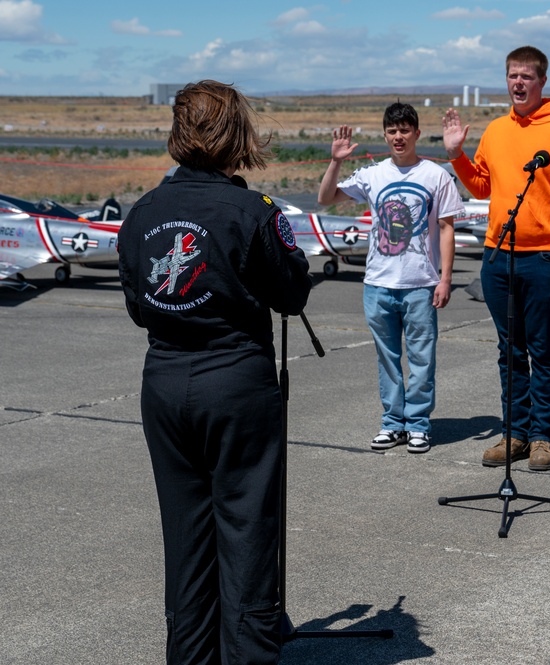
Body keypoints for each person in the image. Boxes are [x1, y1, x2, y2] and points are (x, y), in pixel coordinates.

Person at [118, 80, 313, 663]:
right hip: (234, 381)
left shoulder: (144, 211)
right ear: (235, 133)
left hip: (165, 379)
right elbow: (292, 292)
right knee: (247, 529)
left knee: (186, 536)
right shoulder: (251, 210)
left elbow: (137, 305)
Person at [442, 45, 550, 471]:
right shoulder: (496, 130)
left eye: (526, 76)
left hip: (544, 258)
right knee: (510, 351)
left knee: (542, 349)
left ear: (543, 81)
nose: (518, 83)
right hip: (498, 258)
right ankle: (515, 433)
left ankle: (543, 436)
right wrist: (456, 154)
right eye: (512, 76)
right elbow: (482, 188)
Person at [318, 103, 463, 453]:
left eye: (405, 130)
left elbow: (446, 229)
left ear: (416, 132)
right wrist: (336, 161)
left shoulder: (436, 175)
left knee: (421, 358)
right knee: (387, 357)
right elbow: (326, 199)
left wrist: (445, 279)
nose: (399, 137)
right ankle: (392, 423)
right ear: (385, 135)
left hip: (420, 284)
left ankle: (418, 424)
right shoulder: (373, 174)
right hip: (378, 283)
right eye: (392, 131)